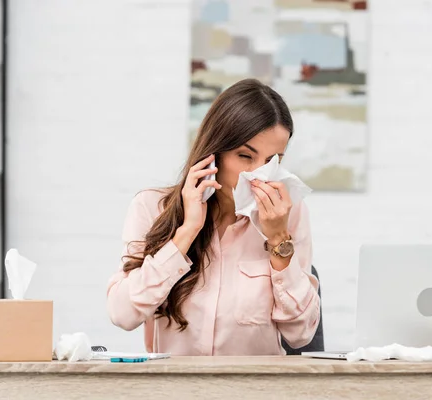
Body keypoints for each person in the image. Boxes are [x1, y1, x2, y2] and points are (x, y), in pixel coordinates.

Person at [107, 78, 320, 356]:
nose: (258, 175)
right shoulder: (152, 207)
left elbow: (301, 334)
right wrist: (187, 230)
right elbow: (123, 314)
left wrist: (279, 239)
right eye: (245, 156)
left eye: (272, 161)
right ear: (214, 153)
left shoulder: (287, 215)